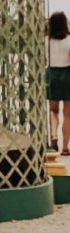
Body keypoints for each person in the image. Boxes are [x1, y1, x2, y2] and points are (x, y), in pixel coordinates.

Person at [47, 11, 70, 154]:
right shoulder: (69, 40)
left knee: (53, 111)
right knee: (68, 115)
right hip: (67, 74)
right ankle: (65, 147)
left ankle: (54, 137)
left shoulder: (46, 41)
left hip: (51, 75)